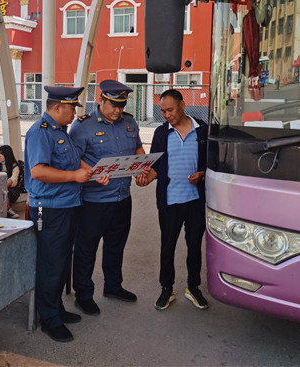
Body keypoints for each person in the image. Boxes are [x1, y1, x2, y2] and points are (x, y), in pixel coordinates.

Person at [24, 86, 108, 343]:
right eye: (71, 109)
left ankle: (56, 308)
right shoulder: (40, 132)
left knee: (61, 262)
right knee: (50, 264)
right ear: (58, 107)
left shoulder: (60, 131)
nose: (74, 114)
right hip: (49, 208)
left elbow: (74, 161)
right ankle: (49, 319)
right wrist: (74, 176)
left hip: (68, 204)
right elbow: (38, 171)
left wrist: (94, 173)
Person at [69, 80, 144, 316]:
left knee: (116, 245)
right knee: (86, 249)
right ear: (101, 99)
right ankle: (83, 295)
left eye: (122, 106)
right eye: (114, 105)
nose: (118, 111)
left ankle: (113, 286)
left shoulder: (129, 122)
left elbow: (137, 148)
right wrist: (92, 173)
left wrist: (142, 166)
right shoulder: (83, 126)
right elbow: (72, 158)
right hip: (94, 200)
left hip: (122, 197)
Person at [136, 89, 209, 311]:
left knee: (194, 247)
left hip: (195, 201)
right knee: (167, 248)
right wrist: (146, 178)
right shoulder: (161, 133)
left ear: (182, 105)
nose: (167, 115)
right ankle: (166, 288)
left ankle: (193, 288)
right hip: (169, 201)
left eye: (170, 110)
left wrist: (202, 174)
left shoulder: (202, 130)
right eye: (163, 111)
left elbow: (211, 161)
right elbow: (156, 166)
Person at [0, 144, 21, 218]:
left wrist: (1, 187)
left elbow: (13, 181)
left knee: (5, 191)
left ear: (7, 154)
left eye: (1, 154)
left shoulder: (14, 166)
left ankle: (7, 210)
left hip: (12, 191)